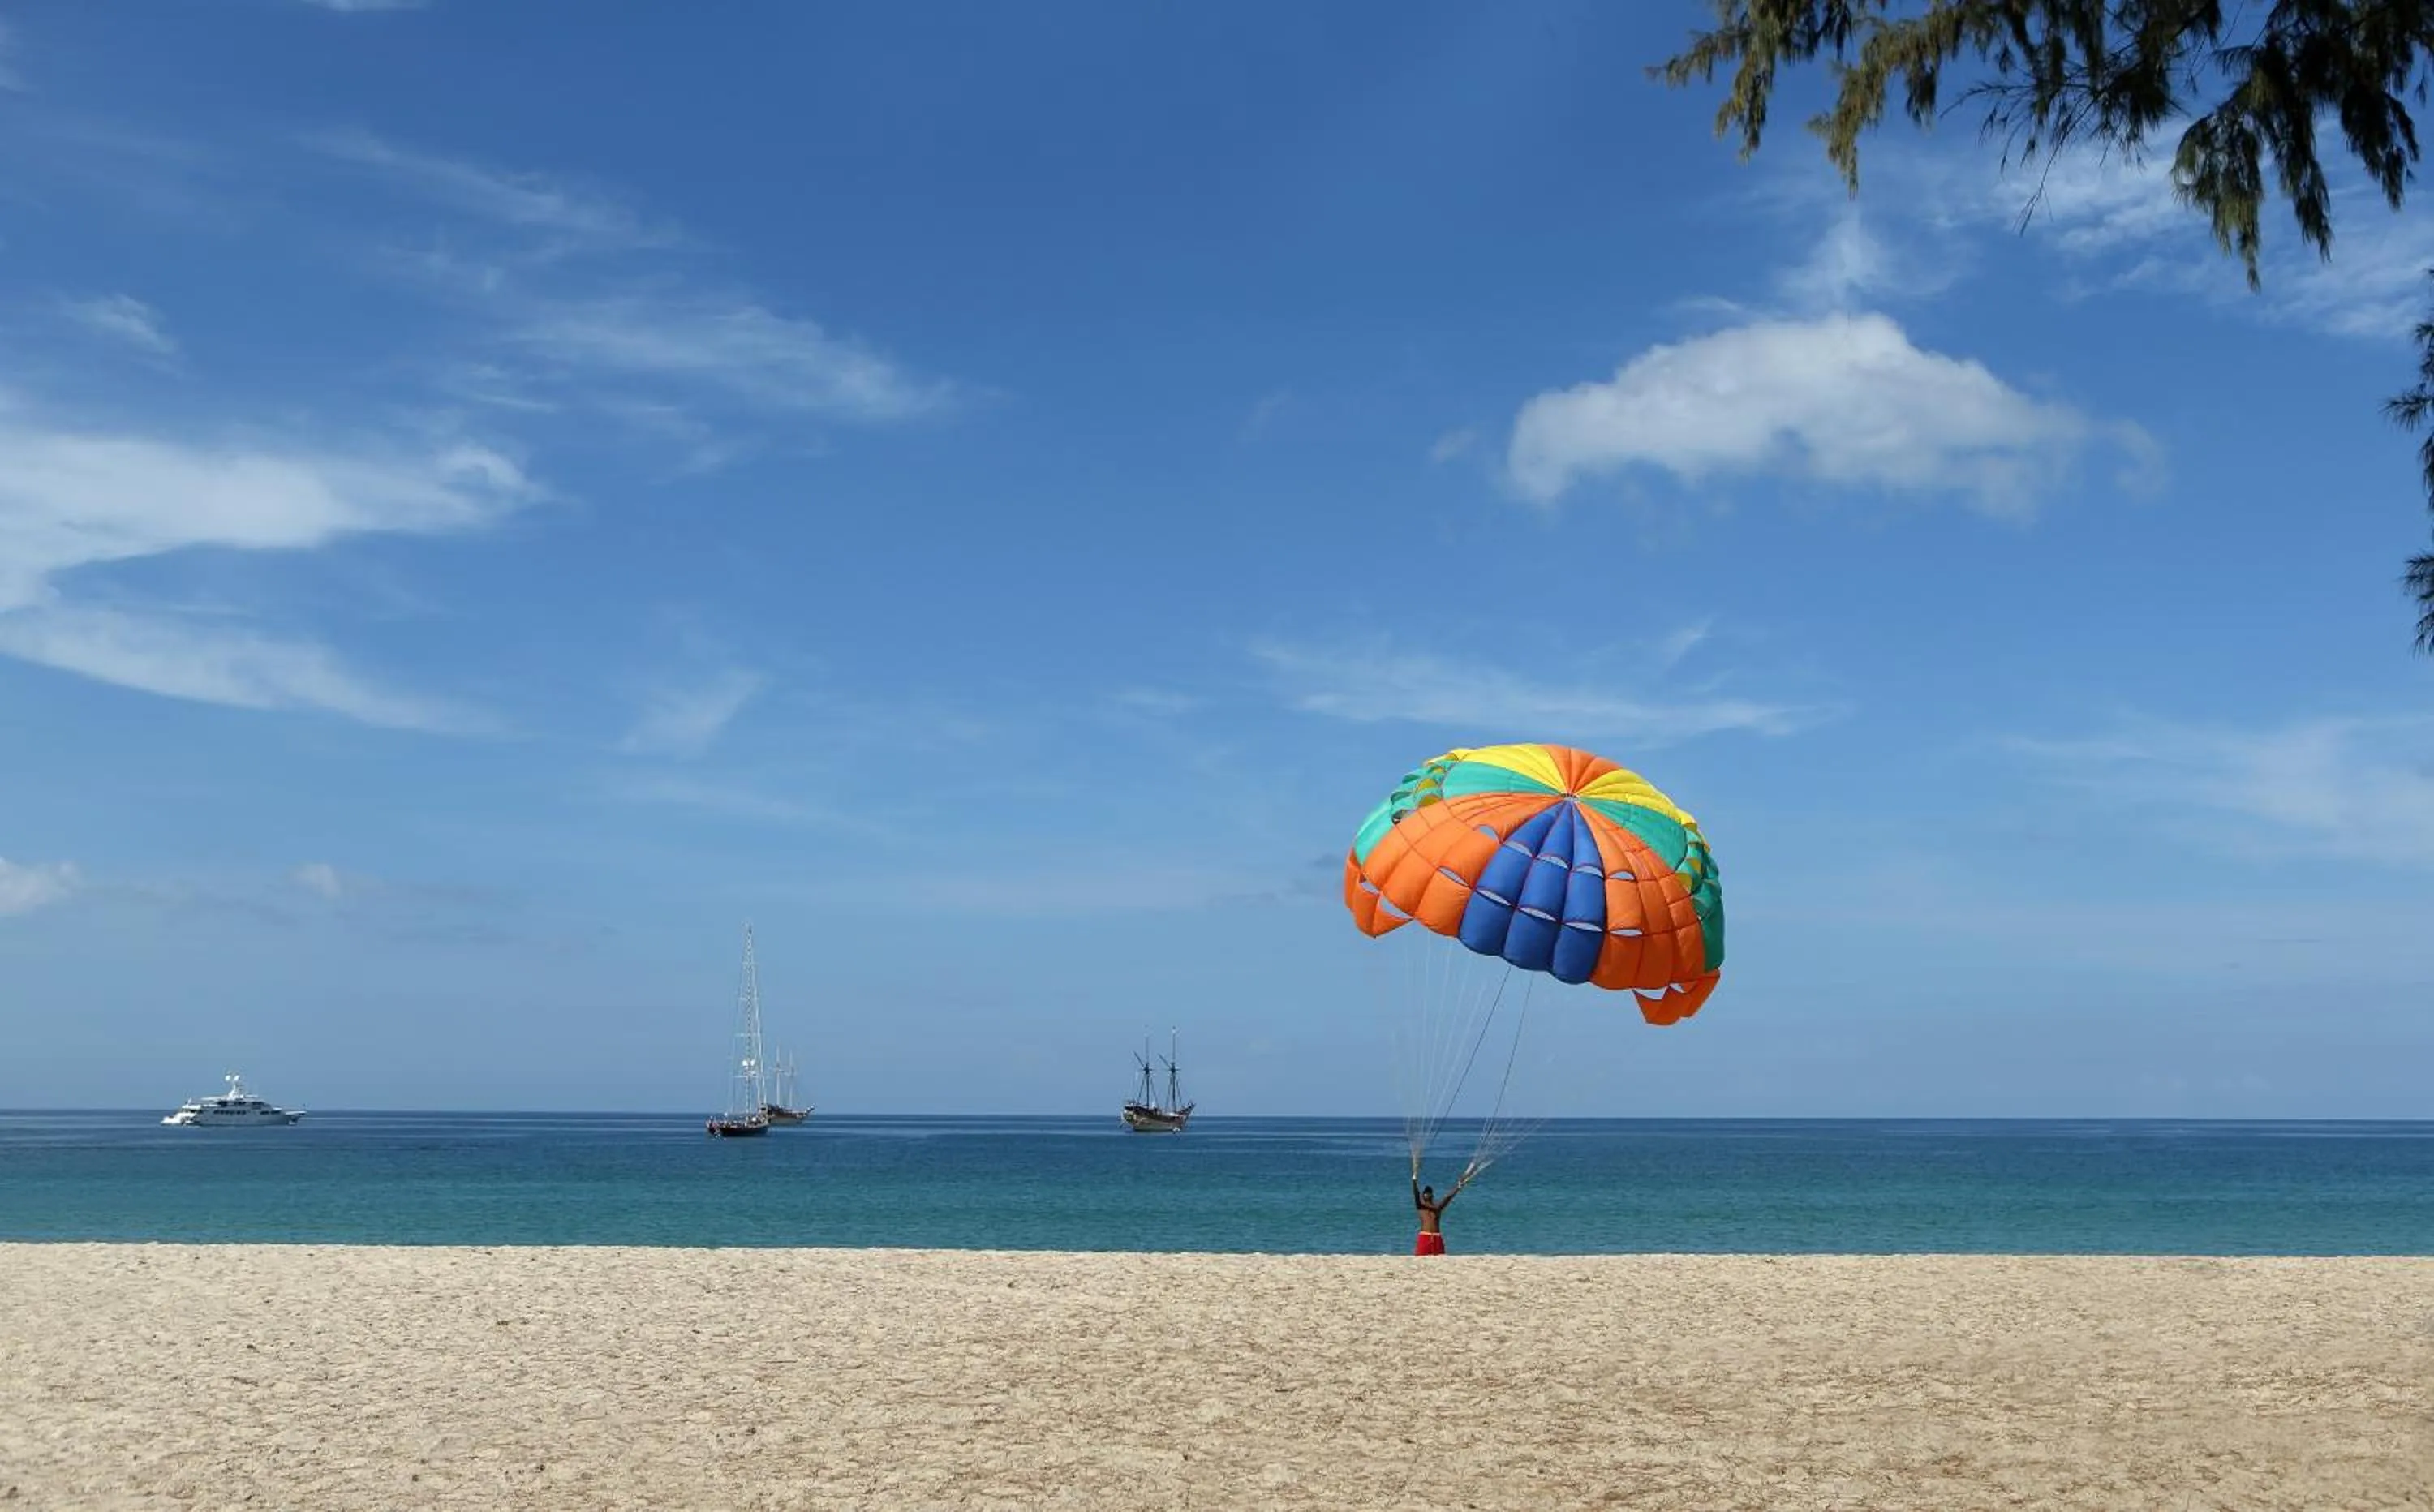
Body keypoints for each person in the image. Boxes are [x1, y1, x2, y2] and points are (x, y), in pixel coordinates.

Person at [1412, 1171, 1469, 1256]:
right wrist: (1414, 1182)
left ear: (1432, 1195)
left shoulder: (1437, 1208)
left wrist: (1458, 1187)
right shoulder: (1421, 1207)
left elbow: (1448, 1197)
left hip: (1437, 1237)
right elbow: (1416, 1194)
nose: (1427, 1194)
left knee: (1439, 1258)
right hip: (1425, 1236)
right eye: (1425, 1193)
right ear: (1423, 1195)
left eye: (1429, 1193)